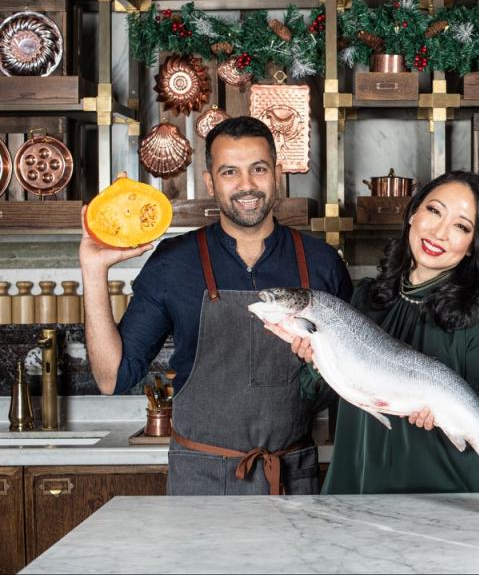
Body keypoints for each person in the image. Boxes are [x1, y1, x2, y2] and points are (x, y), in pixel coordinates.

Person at [79, 116, 352, 496]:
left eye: (258, 169)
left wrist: (317, 366)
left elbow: (351, 377)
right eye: (229, 172)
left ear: (277, 173)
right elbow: (113, 378)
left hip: (291, 476)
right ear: (210, 182)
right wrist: (93, 272)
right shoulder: (174, 262)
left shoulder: (322, 263)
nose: (246, 185)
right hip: (200, 480)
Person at [291, 171, 479, 495]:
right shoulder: (365, 298)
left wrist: (441, 416)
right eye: (434, 211)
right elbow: (313, 395)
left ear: (471, 247)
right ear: (413, 214)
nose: (439, 232)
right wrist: (316, 358)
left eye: (461, 226)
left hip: (439, 498)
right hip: (358, 486)